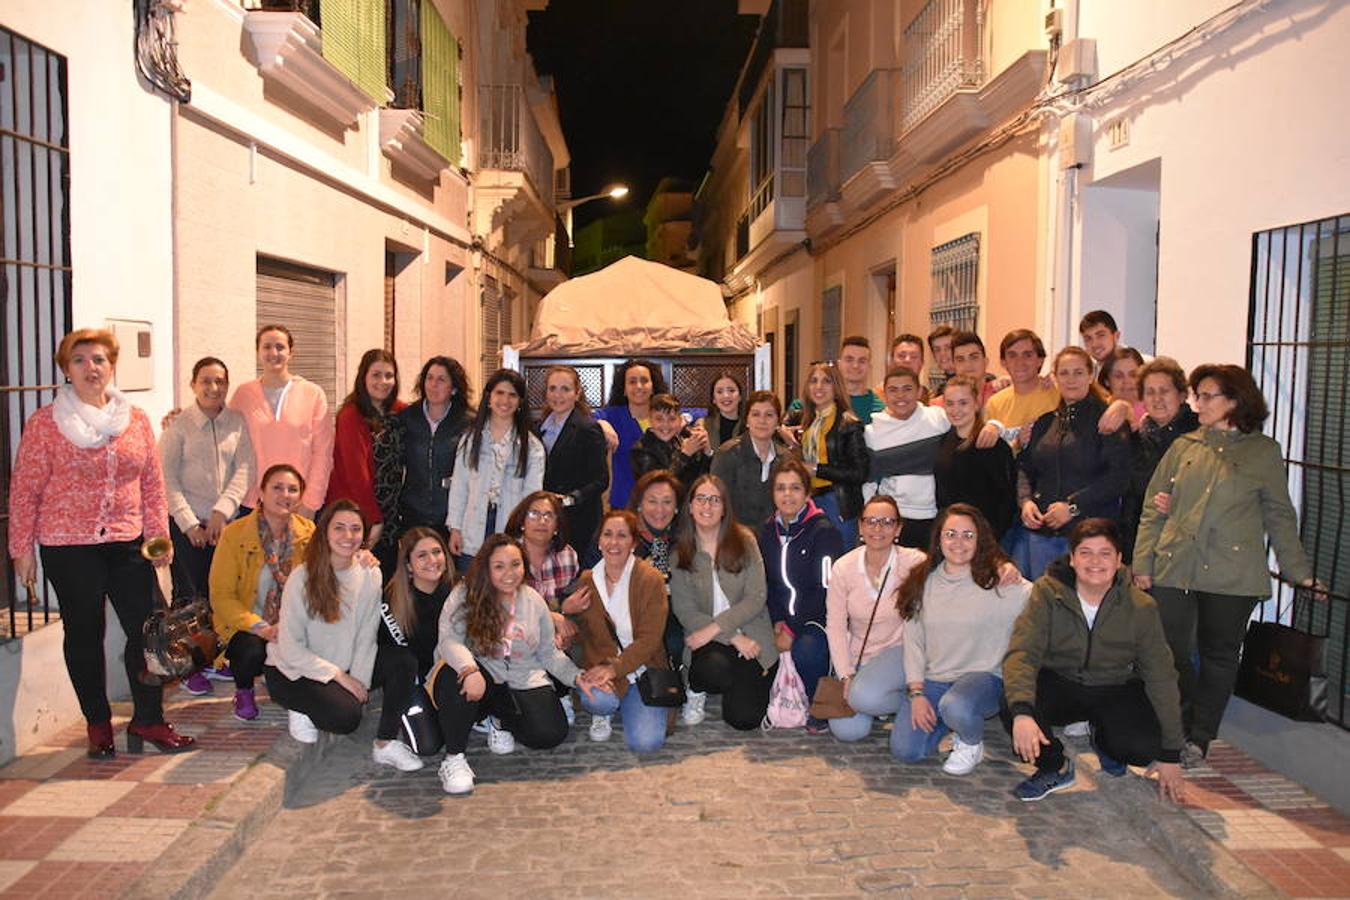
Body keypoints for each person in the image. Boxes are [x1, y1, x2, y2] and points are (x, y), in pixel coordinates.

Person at [8, 328, 193, 758]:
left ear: (111, 366)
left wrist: (158, 538)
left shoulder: (135, 419)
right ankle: (97, 722)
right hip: (68, 547)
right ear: (66, 369)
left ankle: (148, 719)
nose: (91, 368)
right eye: (80, 360)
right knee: (85, 634)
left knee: (149, 632)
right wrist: (21, 550)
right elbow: (24, 490)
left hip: (127, 542)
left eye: (99, 360)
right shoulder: (45, 425)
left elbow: (151, 483)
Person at [1134, 364, 1318, 768]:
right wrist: (1142, 562)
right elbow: (1153, 507)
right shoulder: (1185, 446)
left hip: (1231, 573)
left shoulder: (1262, 452)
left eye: (1207, 396)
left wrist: (1296, 569)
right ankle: (1175, 727)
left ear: (1234, 400)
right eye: (1197, 395)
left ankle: (1200, 736)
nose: (1197, 403)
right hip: (1175, 565)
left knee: (1218, 655)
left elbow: (1279, 514)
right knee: (1172, 652)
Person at [1002, 518, 1186, 803]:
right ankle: (1056, 766)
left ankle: (1103, 739)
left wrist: (1171, 753)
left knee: (1140, 747)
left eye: (1105, 553)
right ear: (1073, 559)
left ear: (1119, 560)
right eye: (1086, 553)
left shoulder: (1141, 606)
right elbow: (1022, 653)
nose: (1095, 562)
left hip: (1114, 685)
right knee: (1012, 702)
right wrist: (1023, 712)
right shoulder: (1048, 593)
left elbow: (1161, 676)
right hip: (1061, 682)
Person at [430, 534, 593, 794]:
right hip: (477, 673)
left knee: (550, 733)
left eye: (515, 564)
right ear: (486, 568)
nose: (509, 573)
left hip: (519, 678)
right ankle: (454, 758)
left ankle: (500, 720)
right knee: (455, 677)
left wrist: (577, 677)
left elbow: (549, 654)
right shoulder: (465, 593)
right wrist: (468, 668)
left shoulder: (532, 599)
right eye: (499, 566)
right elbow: (448, 641)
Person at [892, 504, 1030, 772]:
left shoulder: (998, 580)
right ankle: (949, 718)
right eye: (950, 534)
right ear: (939, 539)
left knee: (956, 705)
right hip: (936, 680)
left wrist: (1012, 569)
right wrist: (917, 694)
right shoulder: (922, 581)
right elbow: (914, 644)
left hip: (983, 679)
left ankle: (970, 741)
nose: (958, 543)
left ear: (980, 540)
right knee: (906, 750)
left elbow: (1041, 596)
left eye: (968, 535)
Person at [263, 500, 382, 744]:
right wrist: (338, 675)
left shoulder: (370, 573)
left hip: (337, 666)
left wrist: (359, 681)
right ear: (325, 531)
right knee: (345, 718)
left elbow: (367, 635)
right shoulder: (303, 577)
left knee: (400, 663)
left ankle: (387, 742)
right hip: (291, 669)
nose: (348, 536)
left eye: (356, 528)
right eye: (339, 527)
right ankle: (298, 705)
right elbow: (289, 646)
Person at [668, 474, 778, 730]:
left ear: (725, 507)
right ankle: (696, 690)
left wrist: (718, 629)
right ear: (690, 506)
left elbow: (757, 597)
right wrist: (732, 636)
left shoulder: (745, 540)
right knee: (711, 671)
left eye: (715, 500)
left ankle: (738, 683)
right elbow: (684, 611)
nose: (707, 506)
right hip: (709, 641)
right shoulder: (680, 553)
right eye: (701, 499)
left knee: (744, 719)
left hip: (751, 635)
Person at [209, 464, 316, 722]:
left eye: (293, 489)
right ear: (262, 492)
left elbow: (317, 584)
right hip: (248, 625)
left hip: (291, 623)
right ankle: (244, 691)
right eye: (277, 488)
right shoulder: (235, 534)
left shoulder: (309, 533)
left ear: (300, 496)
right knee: (250, 650)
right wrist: (259, 626)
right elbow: (221, 595)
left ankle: (294, 689)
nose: (285, 495)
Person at [1011, 346, 1130, 579]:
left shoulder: (1107, 420)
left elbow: (1119, 478)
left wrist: (1073, 507)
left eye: (1078, 372)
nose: (1071, 379)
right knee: (1043, 608)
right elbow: (1025, 468)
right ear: (1054, 378)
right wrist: (1025, 502)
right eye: (1064, 373)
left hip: (1090, 540)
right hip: (1041, 537)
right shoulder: (1045, 423)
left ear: (1091, 375)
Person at [567, 509, 672, 751]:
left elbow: (650, 639)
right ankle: (605, 711)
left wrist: (614, 669)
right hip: (600, 667)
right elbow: (579, 633)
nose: (614, 542)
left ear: (633, 543)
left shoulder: (651, 579)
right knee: (599, 701)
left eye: (622, 536)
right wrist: (565, 611)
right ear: (600, 541)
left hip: (641, 670)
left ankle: (628, 703)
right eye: (608, 534)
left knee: (647, 743)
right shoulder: (587, 580)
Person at [826, 495, 922, 744]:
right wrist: (845, 674)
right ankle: (885, 698)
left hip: (898, 651)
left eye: (887, 522)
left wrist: (1002, 567)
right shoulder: (843, 568)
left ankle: (913, 697)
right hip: (859, 655)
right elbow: (835, 626)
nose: (877, 529)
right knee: (847, 730)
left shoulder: (914, 563)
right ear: (860, 527)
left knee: (864, 698)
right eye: (870, 521)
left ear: (898, 528)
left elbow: (956, 564)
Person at [756, 459, 844, 732]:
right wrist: (778, 621)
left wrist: (791, 630)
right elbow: (767, 582)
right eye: (780, 488)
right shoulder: (767, 532)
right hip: (781, 619)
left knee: (805, 650)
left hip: (816, 617)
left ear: (807, 493)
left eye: (795, 488)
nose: (787, 495)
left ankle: (819, 701)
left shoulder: (824, 532)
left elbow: (824, 589)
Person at [159, 356, 254, 603]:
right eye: (206, 381)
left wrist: (221, 513)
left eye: (220, 382)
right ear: (193, 385)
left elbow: (244, 469)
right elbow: (166, 478)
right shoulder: (178, 425)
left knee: (226, 595)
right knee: (189, 598)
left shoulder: (237, 421)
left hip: (226, 525)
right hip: (186, 528)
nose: (213, 388)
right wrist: (189, 523)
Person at [230, 324, 334, 519]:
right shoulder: (243, 395)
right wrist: (179, 417)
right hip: (253, 503)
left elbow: (323, 453)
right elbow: (221, 432)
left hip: (298, 503)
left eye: (280, 347)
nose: (273, 352)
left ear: (291, 353)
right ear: (258, 352)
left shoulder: (313, 394)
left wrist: (310, 503)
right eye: (267, 347)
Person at [371, 527, 453, 771]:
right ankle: (386, 740)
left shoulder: (456, 590)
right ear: (408, 565)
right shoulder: (392, 599)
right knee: (427, 745)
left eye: (437, 552)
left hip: (444, 677)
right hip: (411, 683)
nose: (432, 560)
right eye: (422, 555)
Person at [446, 368, 545, 570]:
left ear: (519, 402)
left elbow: (531, 498)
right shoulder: (470, 439)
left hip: (510, 527)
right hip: (472, 528)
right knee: (472, 592)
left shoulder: (532, 447)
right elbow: (460, 486)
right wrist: (455, 528)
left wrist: (525, 535)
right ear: (489, 397)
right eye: (499, 393)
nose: (505, 400)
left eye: (512, 395)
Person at [326, 349, 406, 557]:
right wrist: (374, 519)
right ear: (364, 377)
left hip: (389, 512)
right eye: (376, 375)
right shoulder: (350, 415)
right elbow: (356, 474)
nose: (383, 381)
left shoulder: (397, 411)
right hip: (358, 513)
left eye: (389, 375)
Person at [863, 367, 951, 549]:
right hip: (894, 519)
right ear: (884, 395)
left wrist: (994, 425)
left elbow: (969, 426)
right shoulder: (872, 432)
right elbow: (869, 483)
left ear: (919, 391)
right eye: (893, 390)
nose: (900, 396)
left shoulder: (938, 418)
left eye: (907, 389)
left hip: (935, 517)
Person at [394, 356, 473, 539]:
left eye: (441, 380)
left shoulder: (468, 422)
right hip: (412, 515)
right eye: (429, 378)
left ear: (453, 388)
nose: (433, 385)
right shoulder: (407, 419)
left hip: (451, 518)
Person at [934, 377, 1017, 540]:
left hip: (985, 536)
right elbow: (942, 496)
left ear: (977, 403)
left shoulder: (993, 445)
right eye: (950, 403)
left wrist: (990, 538)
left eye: (963, 403)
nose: (956, 409)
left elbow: (1007, 499)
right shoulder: (943, 443)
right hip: (951, 535)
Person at [794, 364, 868, 547]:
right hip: (811, 500)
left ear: (836, 387)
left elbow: (859, 473)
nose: (819, 387)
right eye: (813, 381)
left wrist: (818, 470)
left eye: (826, 381)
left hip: (837, 501)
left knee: (840, 562)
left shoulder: (849, 423)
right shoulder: (809, 422)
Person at [538, 365, 608, 552]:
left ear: (577, 394)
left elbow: (601, 480)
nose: (557, 395)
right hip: (546, 518)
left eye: (565, 389)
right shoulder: (538, 427)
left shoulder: (588, 428)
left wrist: (571, 499)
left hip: (578, 519)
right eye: (552, 388)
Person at [504, 491, 580, 658]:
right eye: (534, 514)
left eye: (549, 516)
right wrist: (552, 617)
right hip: (510, 642)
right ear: (522, 522)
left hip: (554, 646)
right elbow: (501, 607)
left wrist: (563, 633)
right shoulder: (505, 554)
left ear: (556, 527)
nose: (541, 521)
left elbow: (572, 606)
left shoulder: (567, 556)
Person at [710, 390, 796, 528]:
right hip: (735, 537)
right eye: (756, 414)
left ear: (777, 421)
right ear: (747, 420)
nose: (762, 421)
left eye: (769, 415)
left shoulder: (786, 459)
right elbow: (717, 501)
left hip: (775, 537)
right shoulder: (727, 454)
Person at [595, 358, 668, 509]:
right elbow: (589, 417)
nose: (639, 386)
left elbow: (699, 413)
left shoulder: (665, 416)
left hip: (661, 504)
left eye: (644, 381)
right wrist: (603, 424)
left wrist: (688, 419)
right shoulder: (613, 415)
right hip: (624, 502)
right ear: (624, 389)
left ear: (653, 386)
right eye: (632, 382)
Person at [984, 330, 1059, 451]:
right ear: (1004, 362)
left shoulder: (1058, 392)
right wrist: (1017, 443)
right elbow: (993, 456)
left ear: (1040, 360)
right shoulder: (995, 404)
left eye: (1027, 355)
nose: (1020, 362)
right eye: (1012, 355)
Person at [630, 392, 709, 484]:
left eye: (672, 419)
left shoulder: (680, 441)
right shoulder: (640, 449)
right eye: (659, 419)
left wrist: (707, 451)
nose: (666, 425)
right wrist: (685, 455)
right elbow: (659, 484)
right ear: (650, 420)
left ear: (680, 420)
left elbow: (700, 479)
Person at [931, 332, 998, 406]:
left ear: (985, 362)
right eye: (960, 360)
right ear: (954, 365)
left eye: (974, 357)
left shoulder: (1000, 395)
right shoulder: (939, 406)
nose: (968, 365)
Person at [833, 336, 886, 424]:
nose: (855, 366)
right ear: (839, 364)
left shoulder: (880, 410)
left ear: (869, 367)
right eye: (849, 359)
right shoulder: (824, 402)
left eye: (862, 361)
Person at [695, 373, 745, 450]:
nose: (726, 395)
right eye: (719, 392)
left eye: (731, 390)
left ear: (740, 396)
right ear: (713, 399)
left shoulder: (751, 425)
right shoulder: (703, 425)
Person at [1098, 347, 1146, 422]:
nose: (1126, 381)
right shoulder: (1096, 411)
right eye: (1118, 376)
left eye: (1133, 375)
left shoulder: (1154, 411)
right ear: (1106, 381)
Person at [926, 325, 956, 395]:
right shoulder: (940, 391)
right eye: (937, 349)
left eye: (948, 348)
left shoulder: (970, 385)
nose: (942, 353)